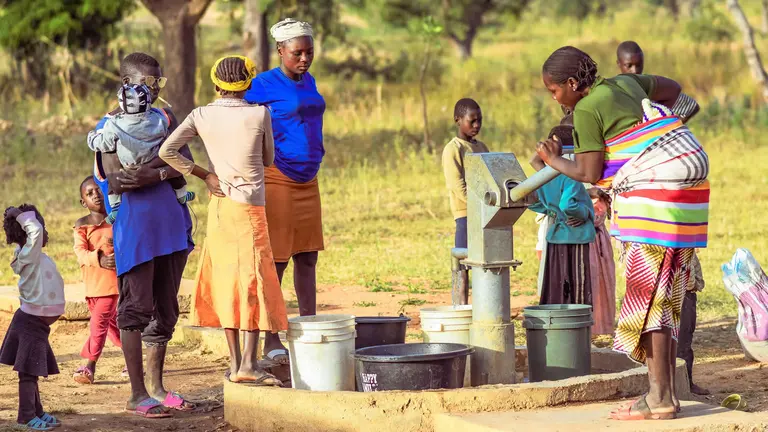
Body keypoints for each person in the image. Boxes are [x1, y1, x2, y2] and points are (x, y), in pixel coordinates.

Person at [536, 46, 709, 420]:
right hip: (686, 193)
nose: (554, 98)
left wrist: (552, 159)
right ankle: (661, 396)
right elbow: (674, 88)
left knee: (648, 296)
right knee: (666, 294)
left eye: (553, 91)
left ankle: (660, 398)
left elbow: (589, 172)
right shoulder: (626, 83)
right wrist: (658, 134)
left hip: (653, 199)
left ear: (570, 84)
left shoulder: (585, 110)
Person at [159, 55, 288, 386]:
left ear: (216, 85)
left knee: (228, 281)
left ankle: (235, 365)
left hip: (220, 208)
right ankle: (249, 363)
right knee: (253, 281)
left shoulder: (201, 114)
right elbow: (269, 158)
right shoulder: (260, 113)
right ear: (247, 84)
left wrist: (205, 174)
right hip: (250, 211)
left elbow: (167, 151)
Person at [92, 52, 196, 418]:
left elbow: (183, 158)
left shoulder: (165, 118)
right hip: (136, 227)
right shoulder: (109, 128)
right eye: (149, 83)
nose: (155, 89)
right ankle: (137, 394)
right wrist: (163, 165)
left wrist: (157, 170)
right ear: (128, 84)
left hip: (171, 223)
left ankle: (157, 387)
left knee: (166, 309)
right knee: (136, 308)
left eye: (158, 83)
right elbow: (119, 179)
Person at [243, 18, 326, 364]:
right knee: (277, 260)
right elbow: (241, 122)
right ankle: (271, 336)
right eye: (297, 53)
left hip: (309, 179)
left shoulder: (310, 80)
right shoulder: (262, 85)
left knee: (308, 256)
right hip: (278, 176)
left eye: (309, 52)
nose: (304, 59)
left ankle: (308, 328)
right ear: (280, 51)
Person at [86, 83, 194, 224]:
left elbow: (104, 145)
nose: (155, 86)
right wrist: (158, 172)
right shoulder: (159, 118)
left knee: (112, 188)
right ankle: (181, 194)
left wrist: (91, 138)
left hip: (129, 164)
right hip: (156, 158)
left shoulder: (113, 125)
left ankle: (115, 207)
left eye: (159, 80)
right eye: (149, 80)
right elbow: (178, 155)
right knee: (177, 177)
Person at [1, 205, 65, 431]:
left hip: (35, 323)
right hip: (30, 322)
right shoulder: (29, 253)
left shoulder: (32, 254)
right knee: (28, 373)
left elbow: (35, 231)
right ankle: (26, 416)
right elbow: (35, 230)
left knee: (32, 370)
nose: (44, 232)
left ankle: (36, 411)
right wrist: (18, 215)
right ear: (29, 231)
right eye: (42, 226)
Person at [529, 124, 595, 306]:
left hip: (555, 237)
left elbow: (534, 202)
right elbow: (568, 204)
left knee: (556, 284)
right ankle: (579, 327)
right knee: (578, 285)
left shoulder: (545, 175)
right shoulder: (570, 176)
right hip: (576, 236)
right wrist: (584, 213)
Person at [72, 176, 124, 385]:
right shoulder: (82, 226)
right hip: (93, 285)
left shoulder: (117, 219)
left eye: (98, 190)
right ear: (83, 202)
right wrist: (99, 258)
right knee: (113, 327)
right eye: (89, 193)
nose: (96, 195)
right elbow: (80, 252)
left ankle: (89, 365)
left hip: (111, 286)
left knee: (98, 325)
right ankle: (133, 360)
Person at [442, 98, 489, 249]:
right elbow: (457, 185)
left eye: (480, 121)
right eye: (472, 121)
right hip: (465, 213)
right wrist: (477, 204)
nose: (477, 125)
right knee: (464, 260)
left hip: (485, 211)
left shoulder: (481, 147)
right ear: (458, 120)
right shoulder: (454, 149)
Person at [677, 251, 710, 395]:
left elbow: (699, 283)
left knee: (684, 344)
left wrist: (692, 283)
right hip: (664, 298)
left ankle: (687, 383)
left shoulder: (689, 254)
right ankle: (665, 386)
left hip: (686, 298)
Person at [587, 187, 616, 337]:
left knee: (599, 282)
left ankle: (600, 325)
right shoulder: (595, 197)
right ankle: (595, 325)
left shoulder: (599, 199)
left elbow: (597, 219)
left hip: (595, 242)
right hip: (593, 242)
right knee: (594, 282)